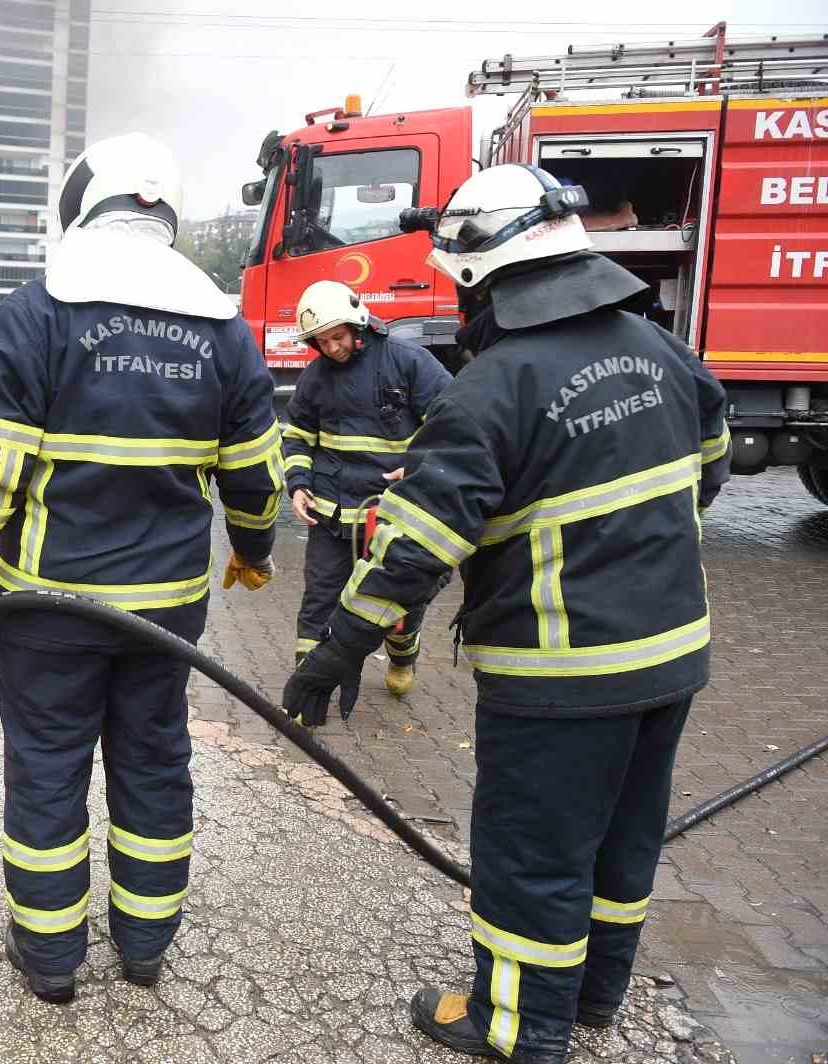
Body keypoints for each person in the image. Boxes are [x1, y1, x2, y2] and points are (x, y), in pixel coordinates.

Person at [284, 164, 731, 1062]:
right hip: (673, 654)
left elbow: (414, 551)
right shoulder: (664, 350)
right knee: (623, 841)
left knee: (534, 858)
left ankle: (519, 1026)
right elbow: (709, 469)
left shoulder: (492, 388)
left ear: (480, 278)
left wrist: (337, 649)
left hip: (560, 678)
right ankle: (593, 997)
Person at [0, 132, 283, 1004]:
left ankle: (50, 958)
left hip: (47, 609)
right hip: (166, 610)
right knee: (153, 760)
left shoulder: (39, 310)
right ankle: (144, 946)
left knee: (48, 767)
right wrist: (254, 551)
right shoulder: (221, 326)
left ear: (82, 205)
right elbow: (254, 472)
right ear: (166, 214)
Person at [278, 279, 452, 716]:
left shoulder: (408, 361)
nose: (331, 348)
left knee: (400, 602)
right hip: (332, 517)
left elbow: (453, 423)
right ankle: (308, 682)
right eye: (321, 342)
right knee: (320, 599)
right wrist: (298, 485)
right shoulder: (315, 378)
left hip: (393, 514)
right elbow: (297, 437)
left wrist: (417, 465)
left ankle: (402, 652)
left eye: (337, 337)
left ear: (358, 325)